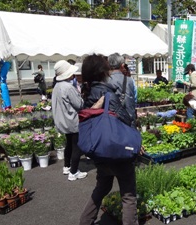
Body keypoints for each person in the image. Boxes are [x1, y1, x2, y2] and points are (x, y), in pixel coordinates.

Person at [79, 54, 138, 225]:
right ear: (104, 71)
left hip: (99, 149)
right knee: (128, 194)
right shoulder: (108, 94)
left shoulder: (86, 92)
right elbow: (125, 119)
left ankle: (85, 221)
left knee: (102, 187)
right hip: (116, 150)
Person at [51, 60, 87, 181]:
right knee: (77, 146)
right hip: (72, 120)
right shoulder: (68, 87)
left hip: (62, 120)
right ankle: (74, 171)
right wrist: (81, 96)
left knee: (69, 144)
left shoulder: (57, 86)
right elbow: (79, 104)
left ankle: (67, 166)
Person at [107, 53, 137, 126]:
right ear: (122, 65)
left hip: (109, 120)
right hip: (125, 120)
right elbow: (129, 101)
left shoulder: (105, 80)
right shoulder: (128, 80)